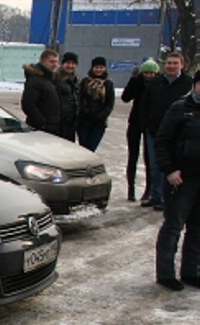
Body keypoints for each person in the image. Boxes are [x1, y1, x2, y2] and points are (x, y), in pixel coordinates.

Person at [153, 70, 200, 291]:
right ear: (196, 86)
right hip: (181, 179)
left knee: (197, 228)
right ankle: (166, 273)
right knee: (173, 226)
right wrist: (170, 170)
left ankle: (191, 271)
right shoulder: (180, 109)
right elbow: (161, 142)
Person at [139, 52, 193, 211]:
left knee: (174, 166)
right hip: (155, 131)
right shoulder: (155, 83)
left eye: (175, 63)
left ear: (182, 65)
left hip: (179, 134)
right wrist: (146, 126)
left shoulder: (188, 84)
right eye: (169, 63)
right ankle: (157, 196)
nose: (171, 66)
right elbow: (144, 105)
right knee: (155, 165)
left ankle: (169, 197)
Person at [121, 59, 160, 201]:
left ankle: (149, 189)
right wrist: (133, 81)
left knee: (150, 158)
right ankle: (131, 188)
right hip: (135, 122)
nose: (148, 76)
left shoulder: (158, 84)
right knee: (133, 156)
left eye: (151, 73)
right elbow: (125, 97)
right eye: (146, 73)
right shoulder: (137, 82)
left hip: (150, 124)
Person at [76, 56, 115, 151]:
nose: (98, 70)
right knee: (83, 148)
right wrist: (86, 112)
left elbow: (110, 103)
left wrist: (100, 115)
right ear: (92, 68)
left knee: (92, 148)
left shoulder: (108, 84)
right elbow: (79, 99)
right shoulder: (85, 82)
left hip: (99, 123)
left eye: (101, 67)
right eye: (96, 67)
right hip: (84, 121)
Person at [21, 48, 61, 136]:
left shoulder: (50, 79)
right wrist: (43, 123)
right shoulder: (35, 80)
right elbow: (28, 104)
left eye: (56, 62)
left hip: (52, 127)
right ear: (43, 61)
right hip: (40, 129)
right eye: (52, 62)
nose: (55, 65)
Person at [55, 51, 80, 141]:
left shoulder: (76, 80)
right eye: (68, 63)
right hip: (59, 122)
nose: (70, 66)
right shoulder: (56, 78)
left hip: (71, 122)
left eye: (73, 63)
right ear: (62, 64)